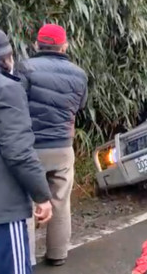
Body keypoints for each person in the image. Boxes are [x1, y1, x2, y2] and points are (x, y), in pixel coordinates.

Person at [0, 26, 53, 274]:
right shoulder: (6, 88)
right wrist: (41, 195)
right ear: (4, 58)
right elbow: (18, 152)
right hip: (2, 209)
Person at [18, 24, 88, 267]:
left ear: (37, 45)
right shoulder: (79, 74)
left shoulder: (25, 68)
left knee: (25, 202)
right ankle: (57, 254)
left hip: (31, 147)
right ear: (64, 46)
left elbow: (16, 104)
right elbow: (79, 106)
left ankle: (25, 260)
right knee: (60, 200)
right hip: (62, 146)